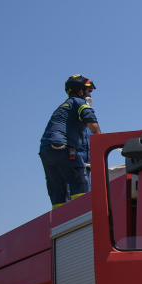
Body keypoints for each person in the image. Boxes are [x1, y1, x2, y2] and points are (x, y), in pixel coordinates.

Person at [40, 75, 102, 208]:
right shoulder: (79, 103)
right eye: (88, 91)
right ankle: (82, 212)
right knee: (79, 178)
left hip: (47, 150)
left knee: (58, 187)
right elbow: (92, 124)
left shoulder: (63, 106)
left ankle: (61, 219)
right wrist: (102, 141)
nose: (90, 94)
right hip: (62, 145)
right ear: (81, 91)